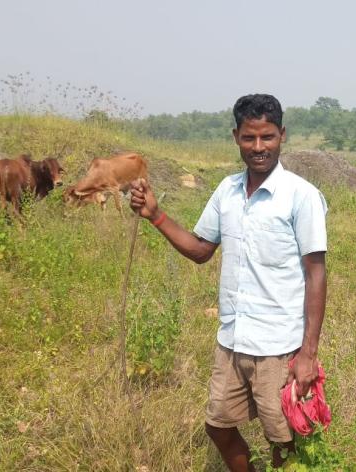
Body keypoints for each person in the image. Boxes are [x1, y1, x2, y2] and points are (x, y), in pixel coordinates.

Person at [129, 94, 327, 471]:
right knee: (218, 425)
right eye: (249, 138)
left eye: (267, 137)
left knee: (283, 439)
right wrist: (156, 216)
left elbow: (316, 273)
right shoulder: (227, 191)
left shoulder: (301, 196)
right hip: (232, 341)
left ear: (282, 135)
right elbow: (202, 249)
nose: (258, 148)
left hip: (278, 347)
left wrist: (308, 355)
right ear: (236, 136)